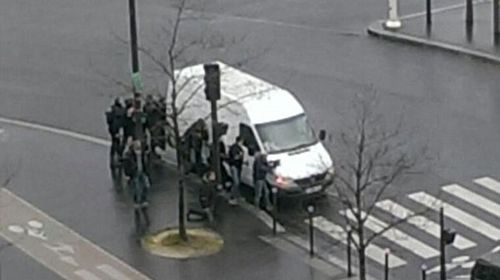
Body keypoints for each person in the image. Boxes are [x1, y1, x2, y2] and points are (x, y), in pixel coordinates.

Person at [123, 140, 151, 210]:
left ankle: (144, 200)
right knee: (137, 188)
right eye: (137, 146)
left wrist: (147, 171)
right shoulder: (129, 155)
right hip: (135, 173)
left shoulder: (142, 154)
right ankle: (137, 202)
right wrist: (128, 174)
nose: (139, 148)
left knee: (146, 186)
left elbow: (145, 163)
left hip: (142, 172)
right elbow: (127, 165)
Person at [105, 98, 126, 163]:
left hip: (114, 130)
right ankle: (120, 154)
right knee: (120, 142)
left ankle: (117, 154)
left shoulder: (112, 110)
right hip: (118, 129)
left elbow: (109, 119)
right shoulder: (123, 111)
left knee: (115, 142)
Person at [228, 136, 244, 205]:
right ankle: (232, 197)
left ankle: (237, 196)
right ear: (239, 141)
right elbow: (235, 157)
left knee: (238, 182)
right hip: (234, 166)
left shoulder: (239, 147)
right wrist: (240, 155)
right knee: (236, 182)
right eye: (242, 142)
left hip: (238, 166)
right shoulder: (234, 148)